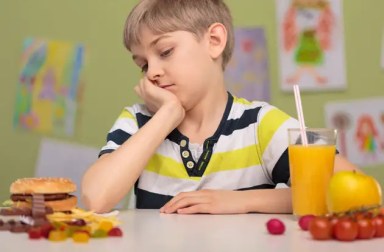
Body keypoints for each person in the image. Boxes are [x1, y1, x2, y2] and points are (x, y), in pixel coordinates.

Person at [81, 0, 358, 214]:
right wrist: (166, 115)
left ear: (214, 41)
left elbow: (348, 188)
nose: (151, 72)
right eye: (143, 64)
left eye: (165, 52)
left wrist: (241, 201)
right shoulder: (139, 122)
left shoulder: (259, 124)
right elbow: (95, 198)